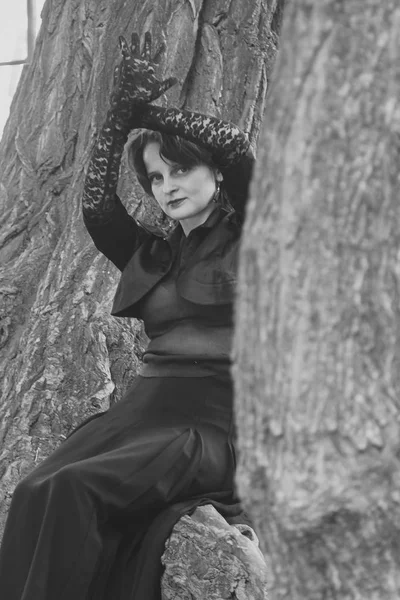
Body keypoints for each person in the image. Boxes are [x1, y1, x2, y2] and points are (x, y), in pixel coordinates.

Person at [0, 32, 255, 600]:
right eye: (156, 179)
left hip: (209, 424)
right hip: (140, 413)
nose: (167, 188)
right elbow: (96, 206)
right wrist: (117, 119)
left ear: (212, 175)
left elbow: (234, 144)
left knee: (75, 488)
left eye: (179, 172)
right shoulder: (152, 254)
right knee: (35, 489)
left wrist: (150, 112)